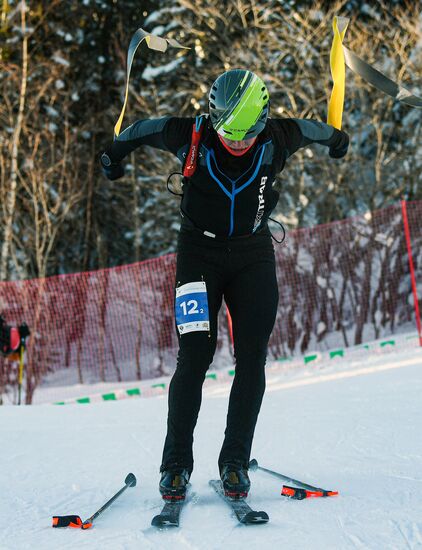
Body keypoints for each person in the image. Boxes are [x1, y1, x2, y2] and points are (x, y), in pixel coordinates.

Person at [101, 69, 349, 500]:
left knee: (252, 359)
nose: (238, 143)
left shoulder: (278, 136)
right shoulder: (189, 133)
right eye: (229, 135)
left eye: (246, 135)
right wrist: (113, 154)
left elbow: (318, 130)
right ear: (214, 119)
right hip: (198, 253)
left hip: (253, 254)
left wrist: (336, 140)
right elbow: (140, 130)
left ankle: (235, 462)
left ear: (262, 121)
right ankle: (175, 466)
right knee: (194, 357)